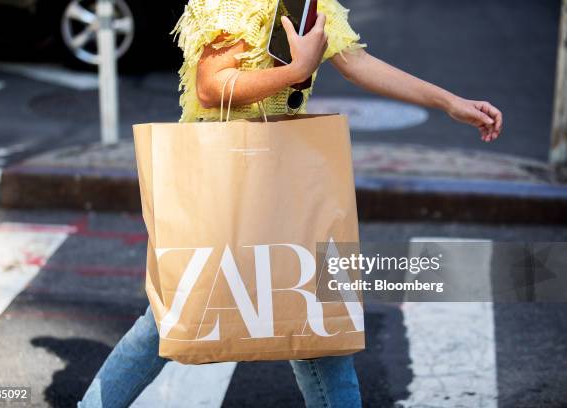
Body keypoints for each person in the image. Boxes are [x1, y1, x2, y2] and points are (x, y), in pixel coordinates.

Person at [78, 0, 503, 407]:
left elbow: (355, 63)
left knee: (313, 323)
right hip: (226, 181)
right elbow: (212, 86)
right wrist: (298, 69)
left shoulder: (307, 1)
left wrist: (450, 102)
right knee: (173, 320)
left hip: (277, 174)